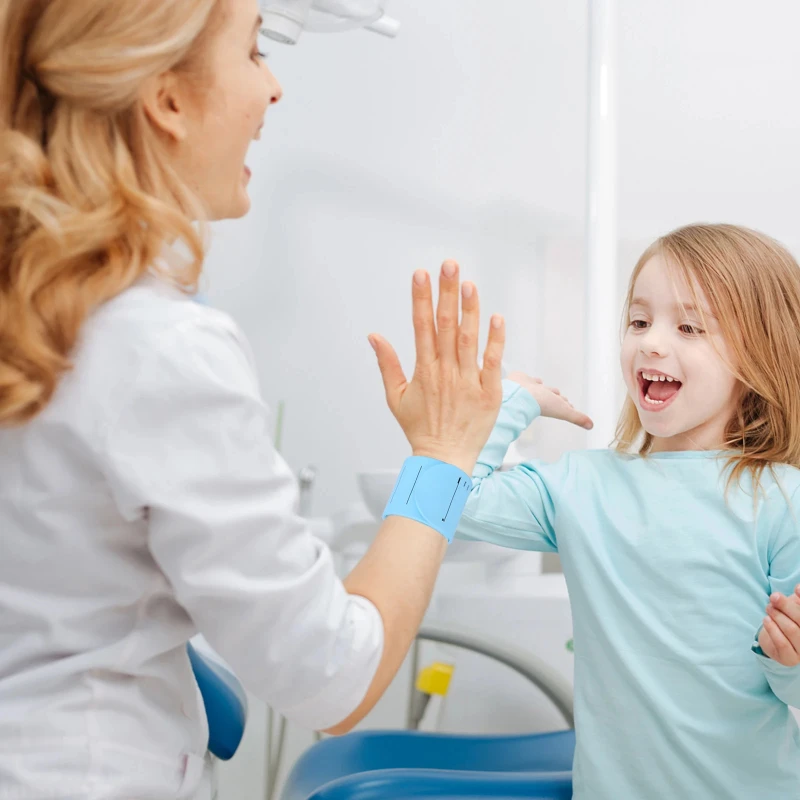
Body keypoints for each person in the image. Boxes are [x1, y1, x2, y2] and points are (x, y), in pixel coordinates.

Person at [0, 0, 507, 797]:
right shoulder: (156, 348)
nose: (273, 89)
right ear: (166, 97)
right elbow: (333, 674)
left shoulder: (38, 316)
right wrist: (441, 460)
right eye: (253, 51)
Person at [457, 224, 800, 799]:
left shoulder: (782, 499)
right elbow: (436, 503)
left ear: (758, 356)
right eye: (639, 321)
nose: (651, 343)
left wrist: (789, 665)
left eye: (688, 327)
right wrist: (509, 405)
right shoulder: (580, 486)